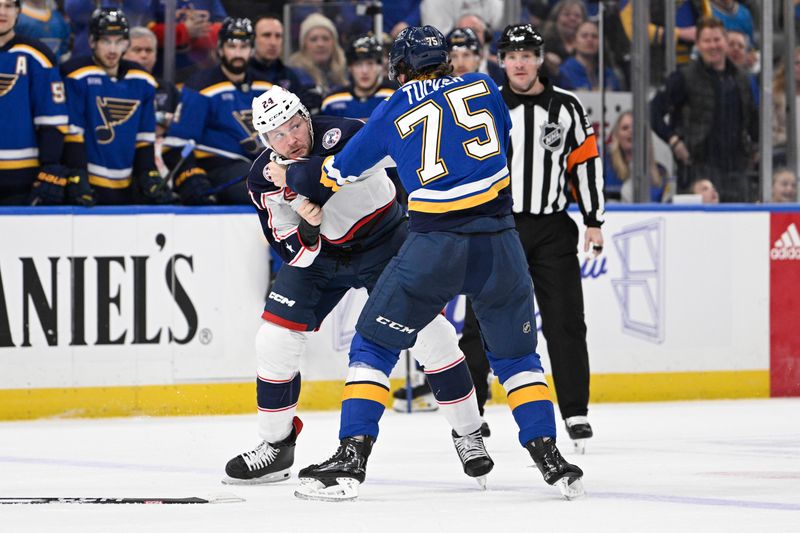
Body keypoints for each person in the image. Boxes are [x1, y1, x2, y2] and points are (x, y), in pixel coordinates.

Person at [295, 25, 584, 502]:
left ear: (401, 66)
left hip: (434, 246)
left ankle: (352, 455)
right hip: (501, 243)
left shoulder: (391, 108)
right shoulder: (486, 87)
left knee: (372, 342)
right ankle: (549, 455)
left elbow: (339, 171)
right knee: (518, 358)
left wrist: (311, 195)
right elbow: (499, 141)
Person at [223, 85, 493, 488]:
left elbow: (395, 156)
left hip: (385, 241)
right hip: (322, 257)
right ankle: (276, 447)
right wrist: (308, 225)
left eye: (295, 125)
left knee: (433, 336)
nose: (291, 139)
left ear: (306, 116)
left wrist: (300, 182)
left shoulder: (346, 133)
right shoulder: (263, 178)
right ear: (265, 140)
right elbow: (294, 251)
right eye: (277, 135)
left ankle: (469, 433)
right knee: (273, 340)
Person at [457, 23, 604, 454]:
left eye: (527, 54)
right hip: (496, 226)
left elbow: (586, 165)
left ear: (540, 59)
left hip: (552, 227)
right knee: (479, 321)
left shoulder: (568, 107)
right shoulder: (484, 103)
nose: (519, 62)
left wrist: (594, 220)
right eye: (511, 54)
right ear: (500, 60)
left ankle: (575, 411)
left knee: (565, 320)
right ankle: (473, 410)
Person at [60, 8, 171, 205]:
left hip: (126, 184)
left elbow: (144, 137)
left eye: (118, 41)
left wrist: (147, 172)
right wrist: (76, 174)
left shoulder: (143, 81)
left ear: (126, 43)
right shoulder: (75, 75)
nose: (112, 50)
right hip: (89, 184)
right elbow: (73, 134)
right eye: (105, 41)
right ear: (92, 42)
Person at [162, 17, 273, 205]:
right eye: (232, 46)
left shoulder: (266, 87)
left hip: (263, 167)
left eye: (244, 46)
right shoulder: (201, 87)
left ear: (252, 50)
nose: (238, 53)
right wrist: (188, 175)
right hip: (221, 167)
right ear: (220, 49)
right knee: (266, 192)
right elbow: (175, 143)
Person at [650, 16, 758, 202]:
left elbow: (753, 119)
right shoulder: (684, 77)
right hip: (697, 170)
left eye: (717, 40)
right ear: (698, 45)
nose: (713, 46)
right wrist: (674, 141)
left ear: (725, 42)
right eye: (707, 41)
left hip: (737, 172)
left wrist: (756, 149)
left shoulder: (741, 79)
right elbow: (653, 111)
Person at [0, 0, 80, 206]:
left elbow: (52, 118)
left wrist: (50, 165)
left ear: (18, 11)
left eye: (8, 6)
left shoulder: (38, 56)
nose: (3, 12)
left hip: (21, 176)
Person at [320, 33, 395, 120]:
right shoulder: (331, 102)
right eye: (358, 65)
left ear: (380, 66)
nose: (364, 71)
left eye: (370, 63)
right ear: (349, 68)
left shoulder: (395, 97)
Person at [123, 26, 180, 136]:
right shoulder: (113, 85)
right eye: (137, 50)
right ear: (124, 54)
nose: (144, 55)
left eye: (149, 50)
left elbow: (181, 122)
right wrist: (162, 119)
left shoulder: (168, 89)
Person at [605, 110, 667, 202]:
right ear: (617, 136)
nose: (631, 131)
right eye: (625, 128)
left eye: (636, 128)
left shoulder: (661, 171)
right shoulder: (605, 166)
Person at [287, 13, 347, 104]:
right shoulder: (293, 76)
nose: (320, 44)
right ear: (304, 45)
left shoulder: (347, 71)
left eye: (325, 38)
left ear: (334, 43)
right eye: (313, 39)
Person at [558, 20, 622, 91]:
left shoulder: (609, 75)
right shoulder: (563, 72)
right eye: (584, 36)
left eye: (594, 36)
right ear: (574, 42)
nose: (590, 39)